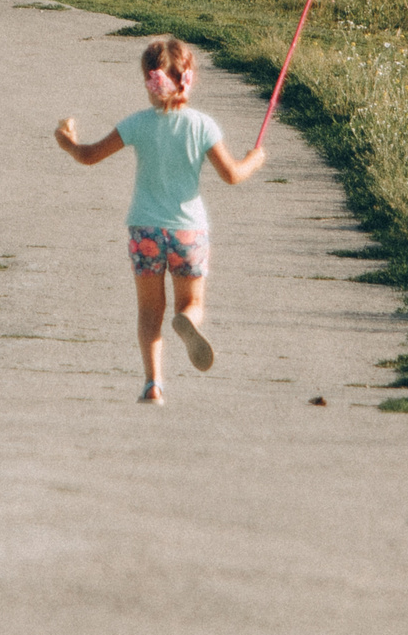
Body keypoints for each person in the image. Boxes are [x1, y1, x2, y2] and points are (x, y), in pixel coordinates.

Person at [53, 38, 266, 404]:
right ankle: (190, 322)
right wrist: (254, 160)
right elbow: (232, 174)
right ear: (189, 79)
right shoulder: (202, 125)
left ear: (150, 82)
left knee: (150, 311)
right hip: (188, 232)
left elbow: (89, 156)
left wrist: (68, 141)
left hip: (146, 230)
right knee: (190, 303)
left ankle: (153, 384)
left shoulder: (138, 124)